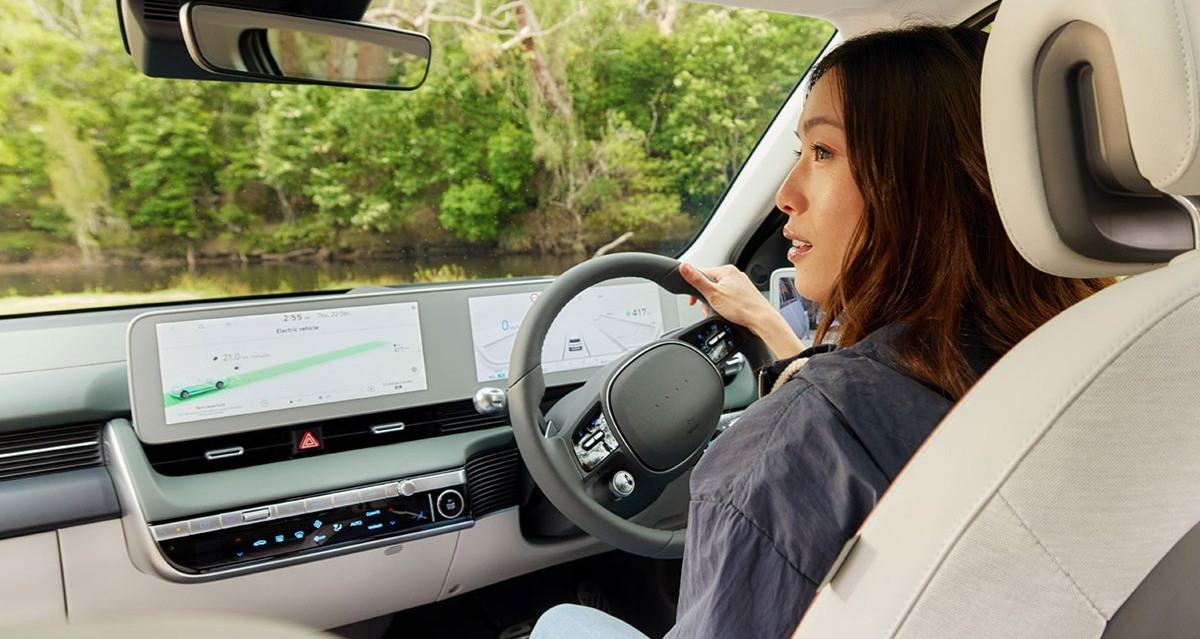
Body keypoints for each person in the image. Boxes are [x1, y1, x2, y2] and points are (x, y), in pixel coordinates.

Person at [533, 24, 1111, 639]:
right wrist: (768, 327)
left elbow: (844, 420)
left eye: (823, 152)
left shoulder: (793, 448)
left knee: (561, 621)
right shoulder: (1097, 356)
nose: (785, 194)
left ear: (923, 183)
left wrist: (792, 410)